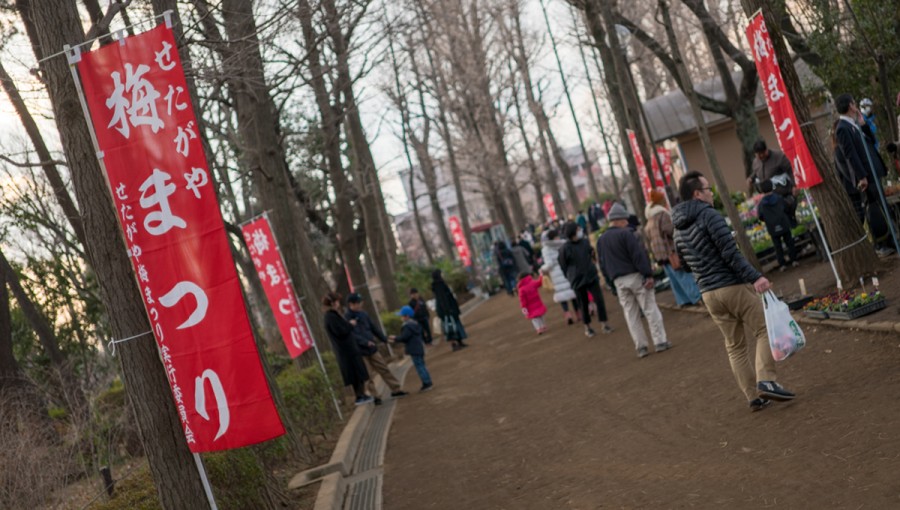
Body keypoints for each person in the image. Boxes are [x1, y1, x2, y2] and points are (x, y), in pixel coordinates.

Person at [672, 171, 796, 412]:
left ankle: (753, 397)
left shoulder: (678, 227)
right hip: (731, 286)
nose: (711, 193)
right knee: (764, 329)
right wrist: (756, 277)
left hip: (708, 294)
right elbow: (730, 253)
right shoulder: (710, 215)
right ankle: (766, 380)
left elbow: (686, 264)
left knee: (734, 346)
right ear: (697, 194)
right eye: (708, 189)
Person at [598, 203, 670, 358]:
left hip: (618, 281)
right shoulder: (626, 234)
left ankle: (641, 347)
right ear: (618, 220)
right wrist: (648, 274)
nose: (626, 222)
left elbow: (603, 264)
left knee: (631, 314)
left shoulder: (601, 240)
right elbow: (638, 256)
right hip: (635, 276)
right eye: (624, 219)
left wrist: (610, 283)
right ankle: (660, 341)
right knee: (650, 308)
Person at [835, 93, 895, 257]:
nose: (856, 107)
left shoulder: (854, 124)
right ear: (850, 106)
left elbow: (870, 141)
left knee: (883, 206)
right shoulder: (842, 128)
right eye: (854, 103)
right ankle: (881, 242)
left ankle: (890, 238)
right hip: (866, 176)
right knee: (874, 209)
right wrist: (861, 176)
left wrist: (863, 124)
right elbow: (850, 155)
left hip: (873, 170)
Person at [345, 293, 409, 402]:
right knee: (368, 376)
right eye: (358, 303)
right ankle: (375, 396)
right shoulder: (347, 318)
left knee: (383, 368)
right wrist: (365, 342)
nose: (360, 304)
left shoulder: (364, 314)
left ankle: (396, 389)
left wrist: (384, 339)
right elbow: (353, 335)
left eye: (360, 302)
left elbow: (373, 328)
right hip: (361, 351)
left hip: (372, 348)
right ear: (351, 304)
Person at [643, 189, 702, 307]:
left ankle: (683, 301)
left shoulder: (650, 217)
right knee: (683, 274)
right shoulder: (662, 214)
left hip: (660, 254)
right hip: (670, 251)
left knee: (674, 280)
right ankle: (696, 297)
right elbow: (669, 230)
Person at [558, 222, 613, 338]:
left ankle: (604, 323)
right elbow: (563, 265)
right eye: (578, 229)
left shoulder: (585, 242)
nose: (580, 231)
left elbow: (591, 253)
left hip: (591, 275)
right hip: (577, 279)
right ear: (573, 232)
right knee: (583, 303)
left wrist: (593, 263)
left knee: (599, 300)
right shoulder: (564, 248)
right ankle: (587, 327)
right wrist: (569, 276)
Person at [322, 292, 373, 406]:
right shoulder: (330, 317)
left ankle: (362, 394)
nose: (339, 304)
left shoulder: (333, 315)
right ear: (334, 303)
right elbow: (340, 331)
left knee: (358, 373)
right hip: (346, 351)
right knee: (355, 373)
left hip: (349, 349)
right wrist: (350, 325)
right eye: (337, 301)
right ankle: (359, 395)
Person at [749, 139, 796, 225]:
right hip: (769, 198)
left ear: (766, 149)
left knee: (788, 219)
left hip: (784, 194)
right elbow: (756, 173)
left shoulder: (778, 156)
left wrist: (794, 185)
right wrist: (751, 178)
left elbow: (790, 170)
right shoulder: (756, 163)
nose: (762, 155)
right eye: (759, 154)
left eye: (763, 153)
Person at [757, 179, 800, 271]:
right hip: (784, 223)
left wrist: (768, 220)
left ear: (761, 190)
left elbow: (760, 216)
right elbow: (787, 208)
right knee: (789, 242)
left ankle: (782, 264)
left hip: (772, 227)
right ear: (772, 186)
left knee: (777, 246)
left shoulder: (762, 204)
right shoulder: (779, 198)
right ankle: (794, 260)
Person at [540, 229, 579, 324]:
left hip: (556, 274)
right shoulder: (564, 244)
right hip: (567, 271)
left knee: (562, 295)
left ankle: (567, 314)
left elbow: (549, 264)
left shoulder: (546, 249)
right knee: (572, 293)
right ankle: (579, 313)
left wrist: (542, 269)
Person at [389, 306, 433, 392]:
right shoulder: (415, 324)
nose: (401, 318)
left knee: (419, 366)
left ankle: (426, 383)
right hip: (419, 347)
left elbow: (404, 337)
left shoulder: (407, 326)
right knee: (422, 365)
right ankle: (428, 381)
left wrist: (395, 338)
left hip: (413, 349)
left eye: (402, 316)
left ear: (407, 316)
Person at [431, 269, 469, 351]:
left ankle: (459, 341)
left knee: (455, 326)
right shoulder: (439, 285)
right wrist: (447, 310)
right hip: (447, 311)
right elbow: (442, 299)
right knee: (450, 327)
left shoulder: (440, 284)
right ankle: (454, 344)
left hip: (449, 309)